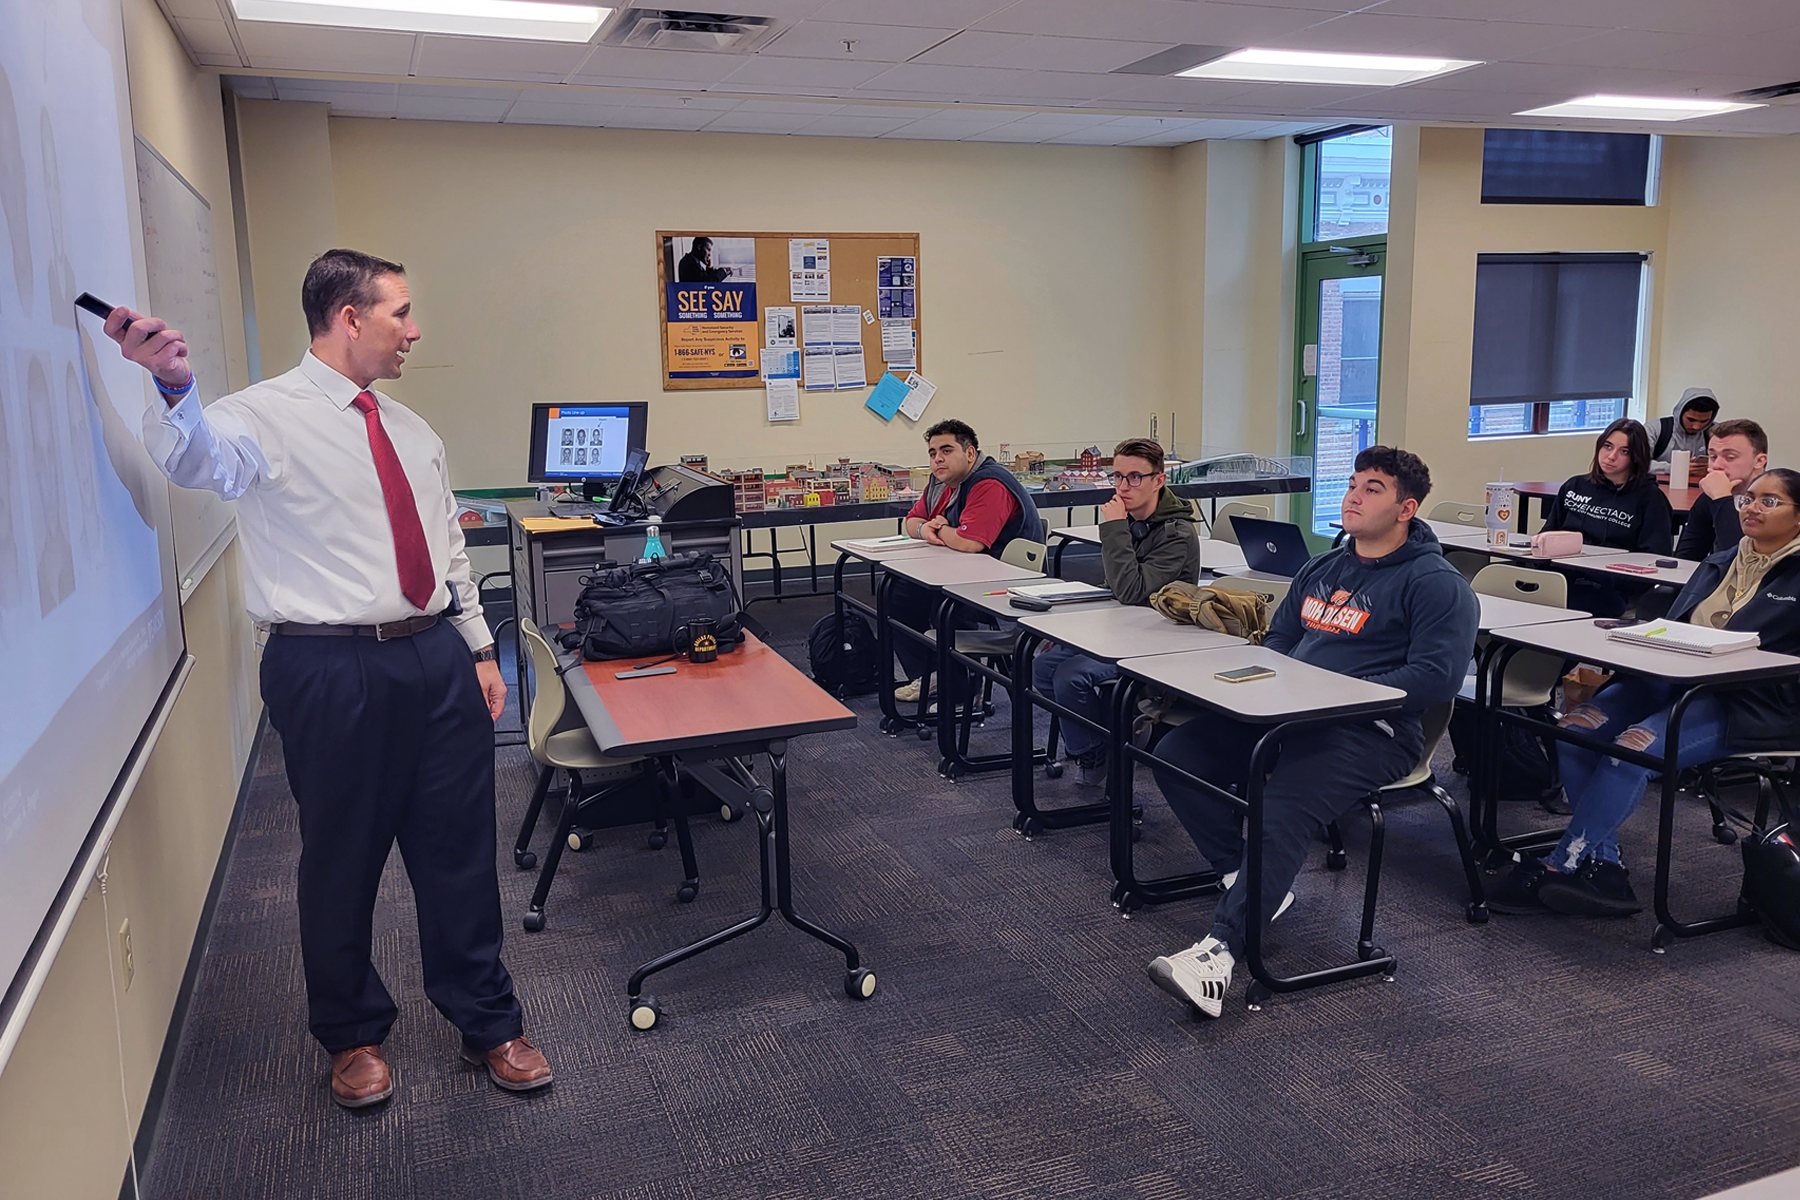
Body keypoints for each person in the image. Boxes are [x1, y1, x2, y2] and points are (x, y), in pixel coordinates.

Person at [106, 249, 552, 1108]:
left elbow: (449, 552)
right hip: (327, 665)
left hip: (434, 658)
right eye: (401, 313)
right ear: (349, 317)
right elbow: (199, 462)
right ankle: (350, 1036)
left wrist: (478, 650)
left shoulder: (412, 430)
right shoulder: (258, 418)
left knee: (459, 853)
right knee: (341, 859)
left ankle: (487, 1020)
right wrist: (171, 387)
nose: (414, 330)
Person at [1145, 447, 1478, 1018]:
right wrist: (1276, 683)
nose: (1353, 496)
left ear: (1407, 508)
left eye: (1373, 488)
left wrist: (1332, 691)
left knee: (1282, 805)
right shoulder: (1324, 568)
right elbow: (1279, 638)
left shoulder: (1437, 585)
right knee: (1178, 751)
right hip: (1292, 715)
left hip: (1371, 731)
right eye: (1352, 484)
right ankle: (1247, 880)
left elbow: (1436, 678)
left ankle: (1220, 953)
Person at [1489, 468, 1800, 918]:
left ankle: (1562, 864)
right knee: (1574, 729)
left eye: (1769, 502)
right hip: (1673, 679)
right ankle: (1605, 868)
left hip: (1748, 702)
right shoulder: (1724, 560)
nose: (1751, 507)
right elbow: (1680, 622)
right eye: (1747, 498)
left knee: (1630, 749)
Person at [1032, 438, 1198, 786]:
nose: (1124, 486)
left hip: (1156, 639)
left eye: (1135, 477)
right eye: (1118, 476)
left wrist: (1113, 529)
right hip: (1121, 627)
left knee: (1069, 676)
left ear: (1159, 480)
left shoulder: (1176, 534)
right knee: (1043, 665)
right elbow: (1113, 592)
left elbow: (1132, 592)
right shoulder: (1132, 523)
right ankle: (1100, 746)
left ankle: (1099, 751)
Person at [889, 418, 1044, 703]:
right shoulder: (942, 483)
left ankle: (963, 693)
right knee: (898, 596)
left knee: (945, 608)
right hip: (965, 571)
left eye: (946, 451)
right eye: (933, 453)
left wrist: (941, 529)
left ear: (970, 453)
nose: (938, 459)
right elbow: (911, 522)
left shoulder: (989, 483)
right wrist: (928, 529)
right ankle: (933, 675)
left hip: (1007, 583)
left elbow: (971, 543)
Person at [1540, 418, 1673, 616]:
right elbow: (1548, 534)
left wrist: (1617, 581)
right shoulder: (1575, 486)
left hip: (1611, 584)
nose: (1611, 457)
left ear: (1636, 457)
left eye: (1624, 452)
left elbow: (1654, 557)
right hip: (1563, 574)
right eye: (1607, 446)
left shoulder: (1651, 499)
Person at [1677, 419, 1769, 560]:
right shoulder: (1711, 496)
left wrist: (1721, 498)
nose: (1717, 465)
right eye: (1713, 456)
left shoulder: (1775, 502)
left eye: (1730, 457)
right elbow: (1686, 559)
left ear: (1759, 461)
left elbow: (1745, 560)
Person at [1650, 388, 1719, 477]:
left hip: (1703, 488)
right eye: (1691, 419)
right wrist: (1675, 468)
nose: (1696, 426)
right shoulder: (1655, 428)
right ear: (1679, 412)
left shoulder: (1716, 433)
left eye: (1704, 421)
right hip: (1658, 487)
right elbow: (1636, 465)